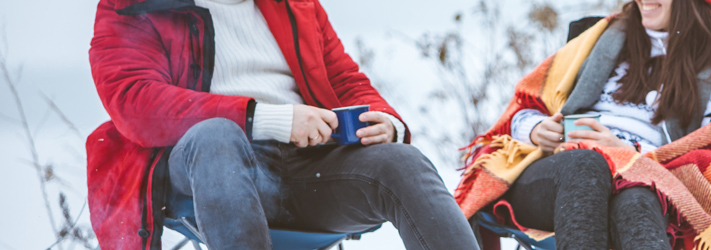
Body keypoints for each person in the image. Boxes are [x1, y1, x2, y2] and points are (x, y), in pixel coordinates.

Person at [85, 0, 479, 249]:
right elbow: (134, 102)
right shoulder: (135, 6)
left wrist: (385, 121)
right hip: (205, 168)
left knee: (400, 161)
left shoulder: (296, 5)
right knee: (217, 136)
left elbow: (344, 80)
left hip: (309, 166)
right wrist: (267, 118)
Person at [454, 0, 711, 249]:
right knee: (586, 165)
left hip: (650, 183)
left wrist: (632, 156)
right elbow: (525, 107)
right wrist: (535, 129)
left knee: (638, 196)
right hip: (559, 170)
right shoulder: (598, 41)